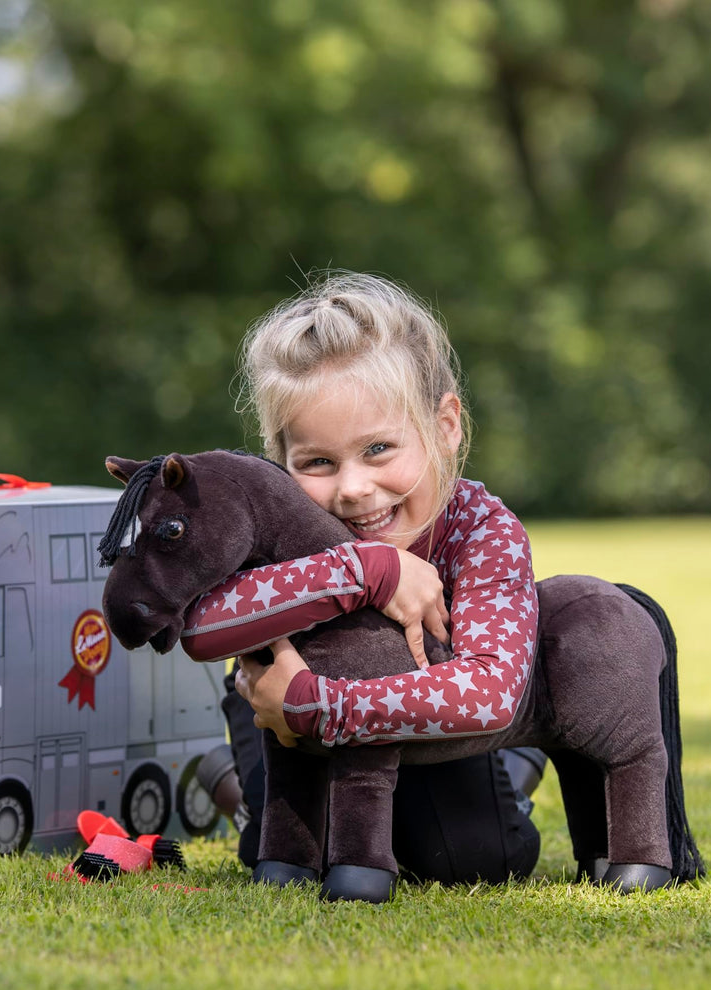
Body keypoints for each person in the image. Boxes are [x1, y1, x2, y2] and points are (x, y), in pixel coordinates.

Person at [180, 271, 544, 886]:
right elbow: (198, 621)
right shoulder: (278, 530)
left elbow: (489, 695)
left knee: (480, 858)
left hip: (422, 727)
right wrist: (368, 570)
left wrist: (321, 707)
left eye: (379, 449)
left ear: (446, 425)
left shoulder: (483, 530)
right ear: (280, 464)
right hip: (281, 722)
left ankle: (518, 766)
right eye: (317, 462)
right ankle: (232, 779)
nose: (352, 489)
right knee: (286, 848)